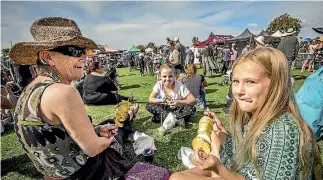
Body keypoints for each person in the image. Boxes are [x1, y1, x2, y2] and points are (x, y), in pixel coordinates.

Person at [9, 17, 135, 179]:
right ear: (48, 57)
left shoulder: (30, 90)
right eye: (75, 50)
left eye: (83, 51)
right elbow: (93, 148)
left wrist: (94, 131)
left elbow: (51, 136)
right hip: (89, 174)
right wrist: (109, 140)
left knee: (108, 125)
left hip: (57, 175)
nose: (84, 57)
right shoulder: (62, 92)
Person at [170, 47, 322, 180]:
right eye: (236, 81)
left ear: (276, 84)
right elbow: (246, 158)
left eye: (250, 82)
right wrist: (222, 133)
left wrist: (218, 168)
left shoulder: (283, 130)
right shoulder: (253, 115)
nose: (238, 91)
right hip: (242, 172)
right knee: (177, 177)